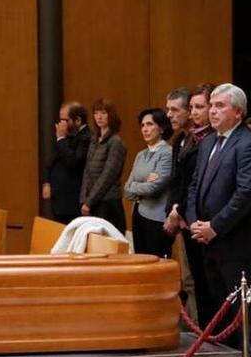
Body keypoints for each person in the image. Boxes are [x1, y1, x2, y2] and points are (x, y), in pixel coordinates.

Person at [182, 83, 251, 352]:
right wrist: (194, 222)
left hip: (236, 241)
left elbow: (246, 194)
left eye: (220, 106)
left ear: (238, 112)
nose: (213, 111)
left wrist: (215, 226)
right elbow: (194, 186)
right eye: (212, 105)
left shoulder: (250, 144)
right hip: (207, 238)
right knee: (218, 305)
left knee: (242, 308)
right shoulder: (208, 142)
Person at [166, 84, 216, 326]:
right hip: (186, 216)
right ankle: (202, 328)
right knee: (192, 278)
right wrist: (173, 210)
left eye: (199, 107)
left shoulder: (209, 140)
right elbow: (177, 180)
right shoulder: (184, 139)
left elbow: (196, 183)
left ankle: (208, 330)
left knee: (205, 281)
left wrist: (181, 211)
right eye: (193, 107)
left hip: (202, 219)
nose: (195, 112)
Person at [125, 108, 175, 258]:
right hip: (138, 215)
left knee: (156, 261)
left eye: (150, 124)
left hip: (156, 218)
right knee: (140, 261)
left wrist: (135, 185)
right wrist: (142, 183)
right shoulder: (140, 155)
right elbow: (126, 190)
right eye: (142, 125)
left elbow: (154, 188)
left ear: (161, 128)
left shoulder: (168, 152)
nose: (145, 129)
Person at [80, 98, 128, 233]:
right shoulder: (94, 139)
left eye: (103, 113)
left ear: (110, 115)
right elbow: (87, 171)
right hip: (93, 201)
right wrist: (83, 199)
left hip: (108, 202)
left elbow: (108, 176)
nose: (99, 117)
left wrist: (89, 201)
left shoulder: (115, 141)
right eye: (96, 113)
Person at [43, 102, 91, 224]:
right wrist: (47, 182)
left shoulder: (86, 138)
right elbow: (51, 162)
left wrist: (61, 139)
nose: (61, 124)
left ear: (78, 120)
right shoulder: (68, 137)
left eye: (65, 120)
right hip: (59, 203)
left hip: (72, 205)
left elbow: (73, 161)